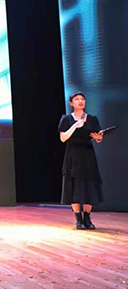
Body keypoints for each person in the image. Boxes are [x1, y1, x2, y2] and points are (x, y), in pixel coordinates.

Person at [59, 91, 104, 229]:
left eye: (82, 99)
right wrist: (75, 125)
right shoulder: (66, 119)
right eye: (77, 99)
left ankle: (87, 218)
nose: (80, 101)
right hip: (73, 154)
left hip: (87, 154)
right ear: (71, 103)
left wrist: (98, 137)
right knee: (74, 186)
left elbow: (98, 136)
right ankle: (78, 219)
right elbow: (63, 138)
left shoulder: (92, 118)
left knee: (89, 185)